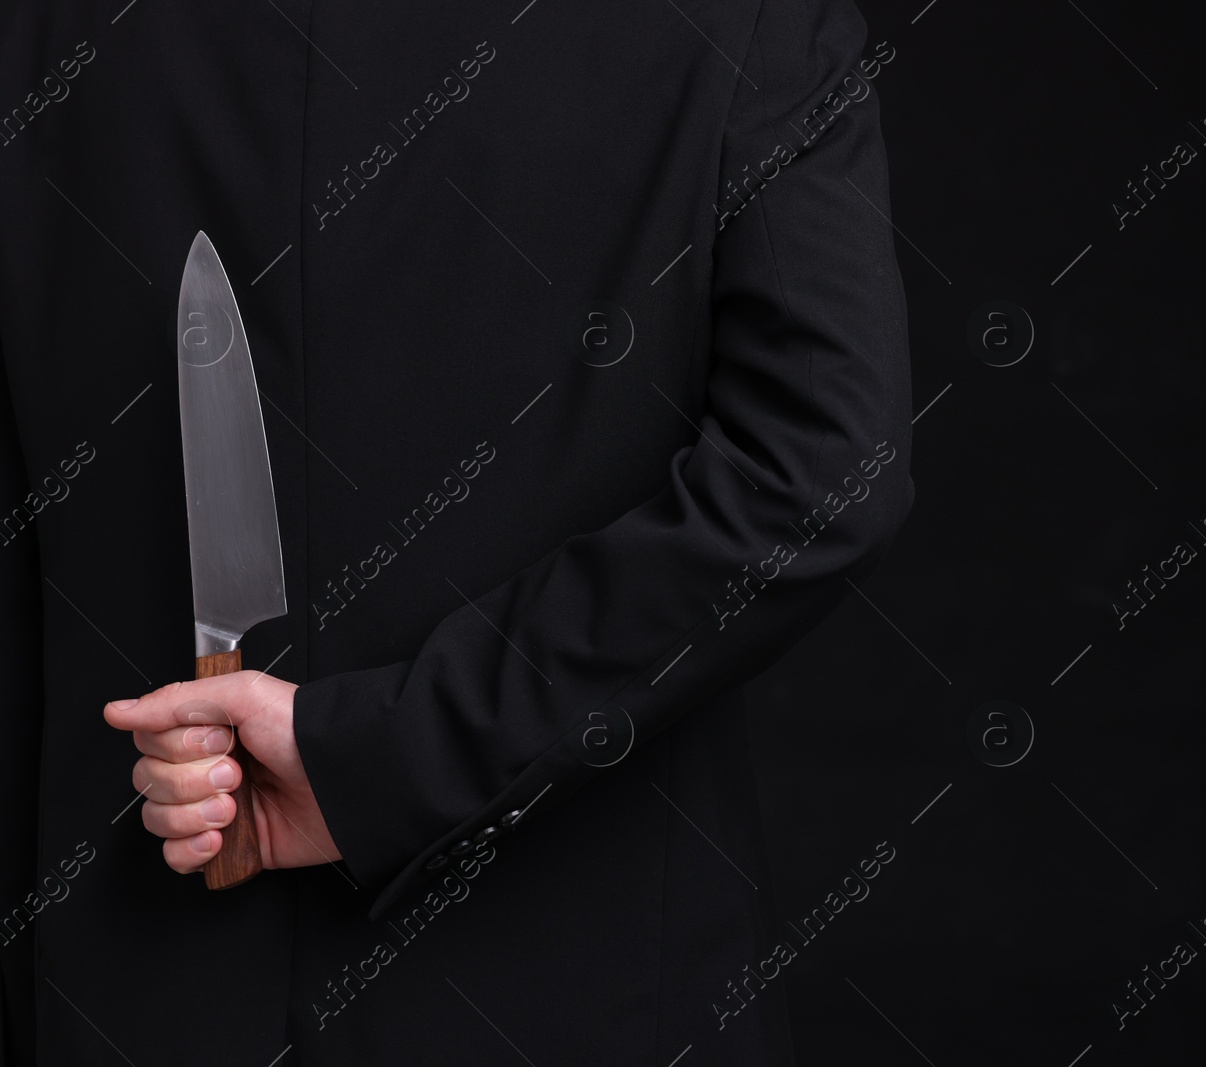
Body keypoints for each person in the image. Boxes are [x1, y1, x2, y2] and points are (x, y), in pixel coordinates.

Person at [0, 1, 913, 1062]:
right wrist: (392, 757)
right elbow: (822, 476)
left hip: (116, 990)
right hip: (595, 996)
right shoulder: (740, 22)